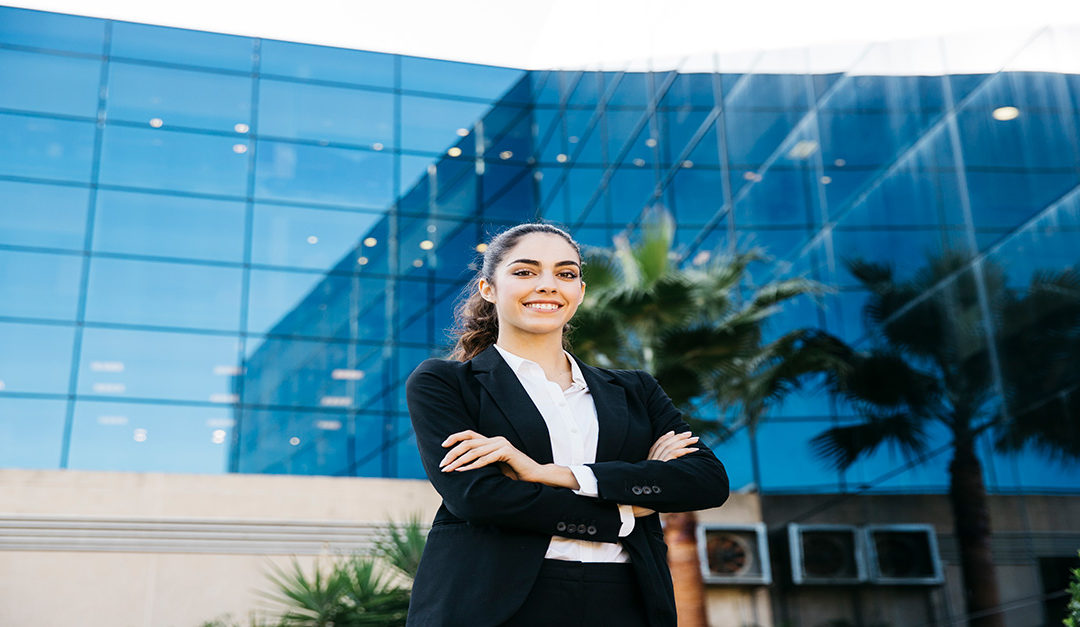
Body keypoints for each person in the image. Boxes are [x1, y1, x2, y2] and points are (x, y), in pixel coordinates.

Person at [405, 223, 729, 626]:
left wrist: (553, 475)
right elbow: (478, 497)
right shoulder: (446, 383)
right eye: (525, 272)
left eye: (566, 273)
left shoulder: (634, 390)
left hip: (626, 598)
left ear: (580, 291)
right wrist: (629, 513)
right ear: (489, 289)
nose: (548, 285)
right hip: (495, 602)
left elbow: (706, 480)